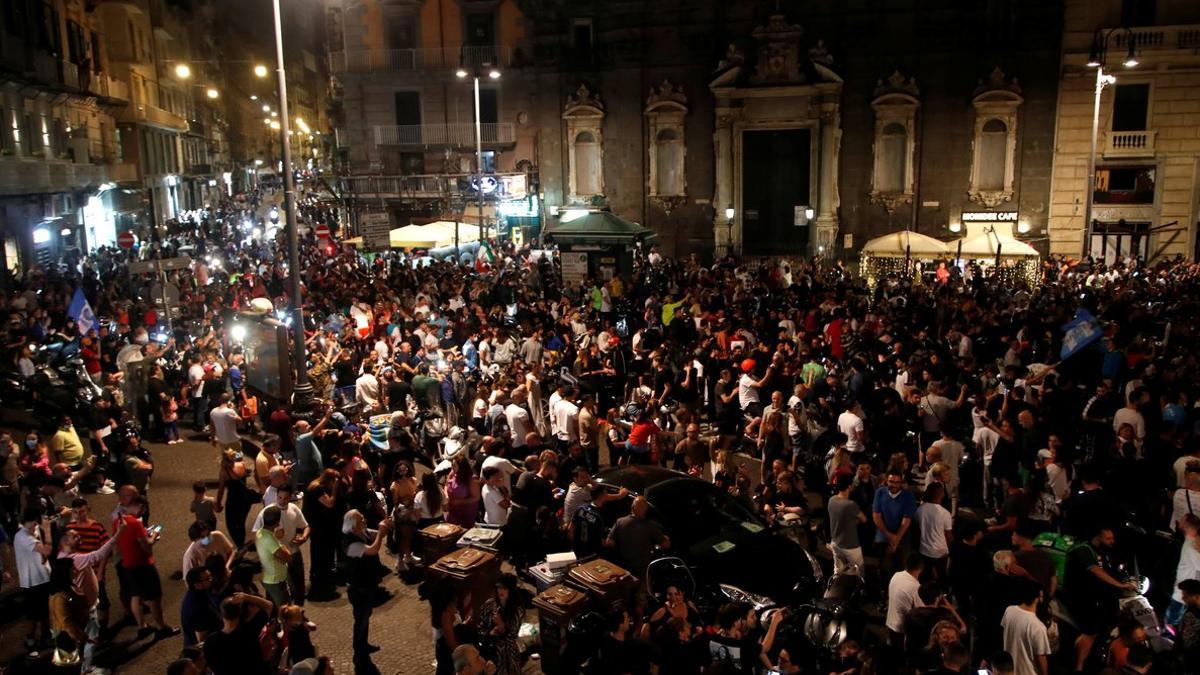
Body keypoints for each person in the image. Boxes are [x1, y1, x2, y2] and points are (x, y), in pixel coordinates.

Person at [1061, 527, 1139, 672]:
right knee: (1091, 632)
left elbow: (1112, 570)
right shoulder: (1083, 550)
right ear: (1098, 537)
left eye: (1112, 538)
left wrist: (1126, 580)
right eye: (1108, 539)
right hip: (1079, 599)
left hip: (1096, 598)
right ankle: (1078, 666)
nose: (1112, 541)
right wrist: (1120, 585)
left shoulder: (1103, 552)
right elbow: (1096, 571)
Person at [113, 495, 177, 639]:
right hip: (142, 565)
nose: (143, 512)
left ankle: (142, 626)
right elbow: (147, 546)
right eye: (143, 509)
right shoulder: (135, 523)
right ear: (139, 506)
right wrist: (154, 535)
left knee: (136, 596)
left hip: (127, 564)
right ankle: (161, 627)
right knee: (154, 598)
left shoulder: (118, 521)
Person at [344, 509, 392, 671]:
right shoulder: (350, 544)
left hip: (366, 585)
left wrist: (383, 527)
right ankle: (359, 651)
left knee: (365, 616)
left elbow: (376, 534)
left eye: (363, 518)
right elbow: (372, 549)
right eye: (361, 520)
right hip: (358, 588)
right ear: (353, 527)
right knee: (361, 619)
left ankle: (363, 644)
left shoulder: (360, 532)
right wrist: (381, 533)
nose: (364, 521)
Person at [252, 483, 310, 605]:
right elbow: (257, 533)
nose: (282, 501)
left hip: (294, 552)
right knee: (278, 592)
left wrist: (304, 537)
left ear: (291, 497)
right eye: (280, 497)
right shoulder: (268, 512)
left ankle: (298, 611)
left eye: (286, 498)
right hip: (277, 557)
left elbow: (305, 526)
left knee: (299, 585)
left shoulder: (294, 509)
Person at [202, 592, 275, 675]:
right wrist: (246, 596)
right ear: (240, 612)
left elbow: (210, 665)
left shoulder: (210, 641)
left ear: (222, 614)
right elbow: (269, 605)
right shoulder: (249, 631)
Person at [15, 508, 53, 652]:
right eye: (34, 523)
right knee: (33, 613)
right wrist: (47, 531)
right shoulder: (22, 536)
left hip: (42, 577)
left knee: (44, 610)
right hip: (32, 581)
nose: (35, 526)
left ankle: (45, 636)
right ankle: (31, 640)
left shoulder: (33, 529)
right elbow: (47, 551)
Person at [606, 495, 669, 577]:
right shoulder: (650, 526)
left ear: (632, 507)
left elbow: (609, 542)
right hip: (642, 571)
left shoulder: (620, 521)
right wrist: (666, 538)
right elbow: (666, 545)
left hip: (623, 569)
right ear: (645, 509)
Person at [873, 468, 917, 583]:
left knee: (903, 569)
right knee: (884, 567)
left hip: (902, 538)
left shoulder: (908, 496)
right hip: (883, 536)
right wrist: (889, 535)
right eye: (891, 482)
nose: (894, 485)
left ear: (901, 483)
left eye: (897, 482)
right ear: (886, 481)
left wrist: (896, 540)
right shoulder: (880, 492)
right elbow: (876, 516)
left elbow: (906, 521)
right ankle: (885, 592)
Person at [476, 574, 525, 674]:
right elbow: (481, 627)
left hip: (507, 655)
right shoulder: (489, 605)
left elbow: (512, 634)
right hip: (490, 649)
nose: (501, 591)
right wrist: (490, 633)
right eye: (499, 587)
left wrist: (501, 624)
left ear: (511, 590)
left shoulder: (517, 610)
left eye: (504, 588)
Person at [1000, 579, 1050, 675]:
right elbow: (1041, 658)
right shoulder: (1038, 626)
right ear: (1038, 598)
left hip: (1009, 670)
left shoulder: (1009, 610)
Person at [215, 448, 254, 548]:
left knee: (231, 524)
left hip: (234, 500)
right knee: (241, 521)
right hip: (245, 498)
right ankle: (242, 542)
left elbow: (221, 490)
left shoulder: (224, 472)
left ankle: (240, 544)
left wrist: (218, 503)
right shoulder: (242, 464)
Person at [255, 505, 292, 607]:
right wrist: (283, 548)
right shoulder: (269, 540)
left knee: (275, 608)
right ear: (277, 523)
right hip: (275, 581)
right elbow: (288, 557)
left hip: (268, 578)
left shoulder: (260, 532)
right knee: (285, 610)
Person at [885, 553, 925, 647]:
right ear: (921, 568)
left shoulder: (896, 575)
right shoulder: (916, 588)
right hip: (902, 630)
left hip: (890, 622)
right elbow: (921, 612)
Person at [180, 567, 220, 647]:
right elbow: (202, 640)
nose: (211, 580)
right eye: (208, 578)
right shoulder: (196, 607)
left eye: (210, 576)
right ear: (197, 584)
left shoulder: (200, 592)